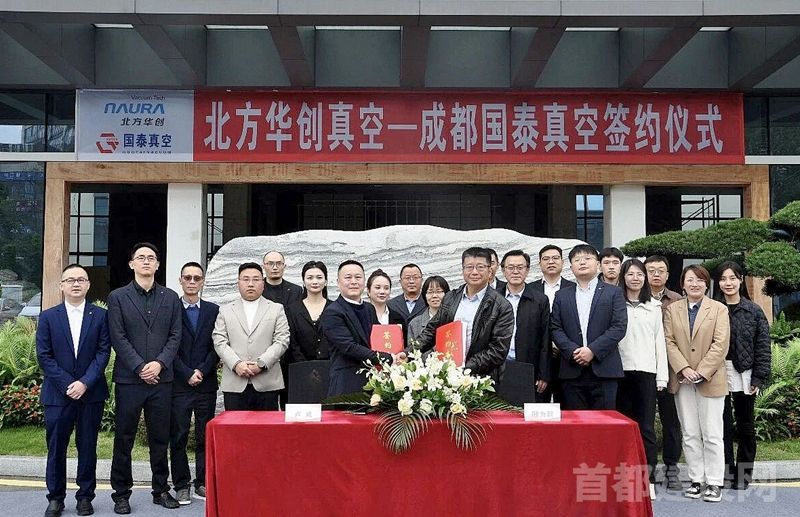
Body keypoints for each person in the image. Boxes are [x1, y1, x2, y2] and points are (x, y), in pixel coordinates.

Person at [108, 242, 183, 513]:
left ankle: (160, 490)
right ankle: (121, 493)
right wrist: (140, 367)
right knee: (124, 437)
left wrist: (159, 364)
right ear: (132, 264)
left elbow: (175, 335)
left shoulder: (171, 297)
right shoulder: (117, 297)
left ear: (158, 264)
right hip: (130, 380)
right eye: (141, 257)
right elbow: (118, 336)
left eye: (151, 258)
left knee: (160, 438)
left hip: (161, 380)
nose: (146, 261)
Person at [37, 265, 111, 517]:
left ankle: (85, 497)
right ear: (62, 285)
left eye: (81, 279)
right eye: (70, 280)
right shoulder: (48, 317)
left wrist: (85, 383)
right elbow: (44, 356)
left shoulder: (100, 316)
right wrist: (69, 384)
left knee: (88, 446)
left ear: (88, 285)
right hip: (58, 395)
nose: (76, 284)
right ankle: (55, 498)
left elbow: (103, 352)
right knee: (56, 448)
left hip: (91, 393)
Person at [664, 265, 730, 503]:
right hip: (682, 379)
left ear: (706, 284)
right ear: (682, 283)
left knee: (712, 433)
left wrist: (701, 371)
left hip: (710, 379)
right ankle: (696, 479)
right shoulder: (672, 310)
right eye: (690, 280)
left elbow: (721, 344)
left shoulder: (719, 309)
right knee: (690, 432)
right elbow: (669, 341)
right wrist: (684, 368)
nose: (695, 284)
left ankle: (714, 482)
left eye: (700, 280)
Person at [412, 247, 515, 380]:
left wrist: (465, 368)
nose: (474, 272)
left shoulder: (501, 306)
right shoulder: (450, 298)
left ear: (490, 271)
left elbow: (498, 350)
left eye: (480, 267)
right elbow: (432, 330)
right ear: (463, 270)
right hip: (447, 376)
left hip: (482, 379)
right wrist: (409, 351)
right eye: (469, 267)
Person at [551, 244, 627, 410]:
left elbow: (619, 326)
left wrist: (592, 350)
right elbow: (555, 328)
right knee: (575, 423)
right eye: (577, 260)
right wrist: (573, 351)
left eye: (587, 258)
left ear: (598, 264)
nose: (582, 262)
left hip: (605, 369)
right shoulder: (562, 295)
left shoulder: (613, 293)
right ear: (571, 267)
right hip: (571, 370)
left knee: (605, 421)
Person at [716, 261, 771, 490]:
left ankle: (743, 475)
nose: (727, 283)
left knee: (745, 425)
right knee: (722, 425)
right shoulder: (713, 308)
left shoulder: (753, 310)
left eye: (732, 278)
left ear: (740, 280)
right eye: (723, 279)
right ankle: (725, 472)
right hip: (717, 372)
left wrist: (758, 377)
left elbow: (763, 346)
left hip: (744, 372)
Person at [169, 262, 220, 504]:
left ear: (203, 282)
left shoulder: (214, 310)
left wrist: (201, 370)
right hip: (179, 385)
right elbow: (168, 346)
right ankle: (181, 484)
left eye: (196, 278)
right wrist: (187, 372)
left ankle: (202, 482)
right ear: (180, 280)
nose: (192, 282)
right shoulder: (171, 310)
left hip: (205, 384)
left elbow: (217, 345)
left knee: (204, 436)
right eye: (187, 277)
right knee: (178, 436)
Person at [616, 259, 668, 489]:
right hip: (620, 372)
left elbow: (660, 343)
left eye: (639, 274)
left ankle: (648, 476)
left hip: (646, 372)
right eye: (630, 274)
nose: (635, 278)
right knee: (622, 426)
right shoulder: (615, 304)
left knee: (645, 426)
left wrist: (662, 377)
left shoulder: (654, 307)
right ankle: (623, 474)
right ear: (623, 277)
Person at [322, 260, 406, 397]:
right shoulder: (333, 312)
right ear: (338, 282)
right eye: (348, 277)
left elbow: (378, 339)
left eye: (358, 277)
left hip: (373, 383)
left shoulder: (369, 308)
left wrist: (397, 355)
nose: (354, 282)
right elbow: (349, 347)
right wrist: (388, 358)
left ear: (364, 281)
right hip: (347, 383)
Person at [213, 262, 290, 410]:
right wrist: (236, 364)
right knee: (235, 425)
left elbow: (282, 340)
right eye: (246, 279)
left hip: (267, 383)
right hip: (235, 382)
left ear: (263, 283)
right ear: (238, 283)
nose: (250, 284)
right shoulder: (225, 310)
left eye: (256, 279)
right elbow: (219, 340)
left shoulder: (276, 309)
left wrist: (262, 363)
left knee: (267, 425)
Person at [645, 254, 683, 490]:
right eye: (651, 270)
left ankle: (672, 469)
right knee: (645, 421)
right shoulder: (635, 297)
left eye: (660, 270)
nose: (656, 274)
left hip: (671, 369)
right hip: (645, 368)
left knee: (672, 422)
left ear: (668, 275)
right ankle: (646, 469)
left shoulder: (678, 300)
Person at [498, 250, 551, 400]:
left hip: (528, 366)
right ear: (503, 270)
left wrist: (544, 373)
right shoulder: (493, 298)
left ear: (527, 270)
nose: (515, 271)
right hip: (497, 367)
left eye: (520, 267)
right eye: (510, 267)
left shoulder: (540, 300)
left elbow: (545, 338)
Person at [531, 244, 576, 403]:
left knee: (565, 404)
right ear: (539, 263)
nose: (551, 262)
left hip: (566, 357)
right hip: (538, 357)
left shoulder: (574, 288)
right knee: (538, 404)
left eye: (555, 258)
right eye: (546, 259)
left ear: (562, 262)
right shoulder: (530, 289)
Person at [261, 250, 302, 409]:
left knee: (290, 404)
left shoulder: (296, 290)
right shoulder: (258, 289)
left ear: (284, 266)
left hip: (290, 354)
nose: (275, 267)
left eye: (279, 263)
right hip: (264, 352)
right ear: (264, 266)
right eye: (270, 263)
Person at [286, 261, 332, 362]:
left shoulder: (335, 308)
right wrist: (304, 365)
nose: (315, 282)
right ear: (303, 282)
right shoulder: (292, 310)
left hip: (331, 366)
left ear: (326, 281)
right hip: (299, 366)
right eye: (310, 278)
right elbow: (292, 343)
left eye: (319, 277)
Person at [407, 276, 450, 346]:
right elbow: (412, 350)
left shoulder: (455, 318)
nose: (434, 296)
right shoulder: (414, 324)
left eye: (438, 291)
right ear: (424, 295)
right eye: (430, 292)